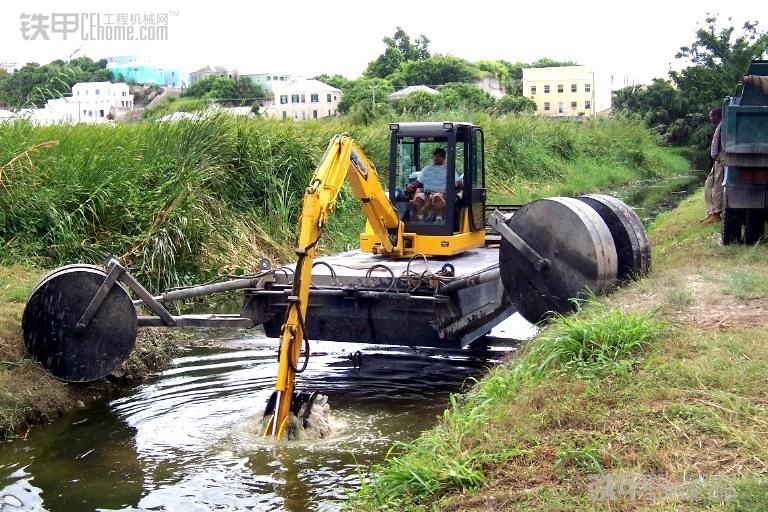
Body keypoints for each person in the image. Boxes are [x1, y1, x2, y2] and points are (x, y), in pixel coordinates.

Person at [406, 147, 463, 221]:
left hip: (442, 193)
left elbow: (457, 181)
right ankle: (419, 219)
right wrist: (410, 185)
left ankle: (439, 219)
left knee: (437, 197)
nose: (437, 158)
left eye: (440, 156)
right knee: (419, 197)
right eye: (436, 156)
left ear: (444, 158)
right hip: (427, 193)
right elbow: (419, 182)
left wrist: (457, 184)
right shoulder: (427, 169)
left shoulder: (449, 169)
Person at [701, 107, 724, 224]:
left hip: (721, 160)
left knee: (718, 187)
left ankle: (716, 214)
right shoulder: (719, 126)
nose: (710, 118)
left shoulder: (724, 126)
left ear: (717, 116)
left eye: (711, 116)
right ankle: (710, 212)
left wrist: (723, 155)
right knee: (708, 184)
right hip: (716, 161)